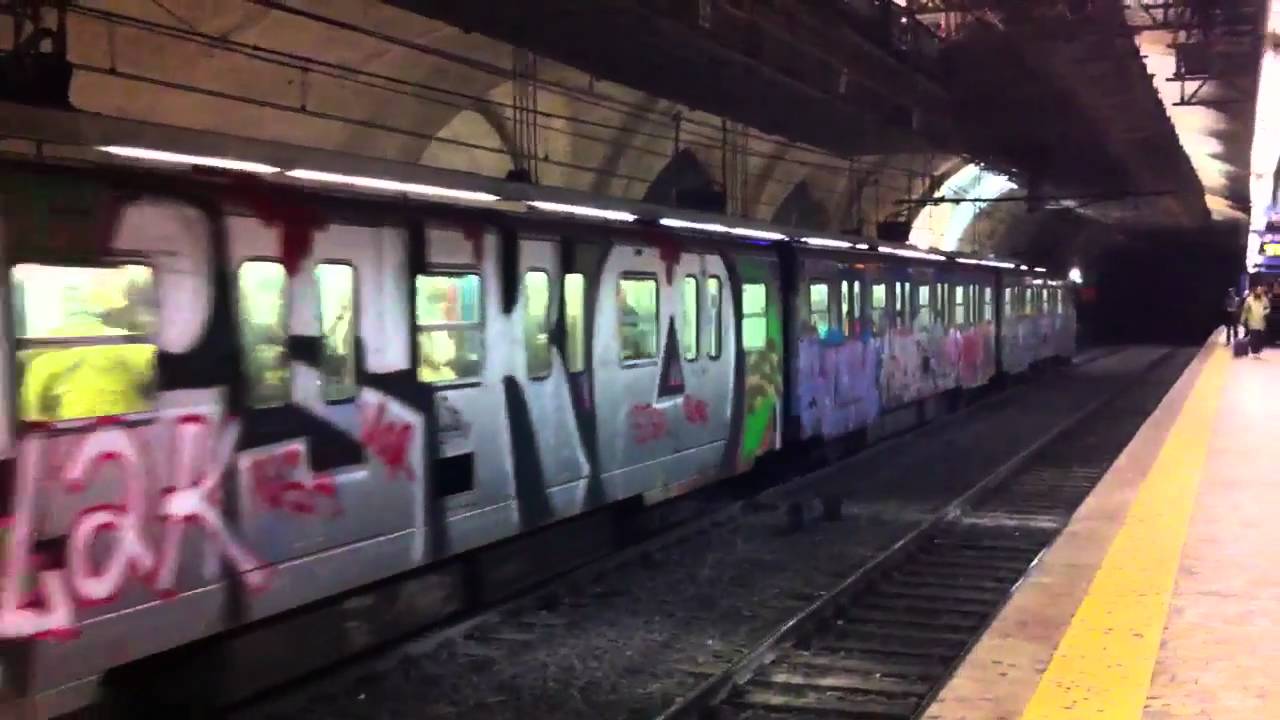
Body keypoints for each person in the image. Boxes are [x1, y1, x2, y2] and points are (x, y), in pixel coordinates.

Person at [1240, 285, 1271, 357]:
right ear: (1255, 291)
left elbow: (1268, 308)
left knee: (1260, 337)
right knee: (1254, 337)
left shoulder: (1264, 300)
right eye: (1258, 290)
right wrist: (1242, 319)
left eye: (1260, 291)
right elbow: (1245, 310)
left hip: (1261, 322)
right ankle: (1254, 351)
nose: (1259, 292)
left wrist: (1264, 312)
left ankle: (1258, 350)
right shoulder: (1249, 300)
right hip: (1252, 322)